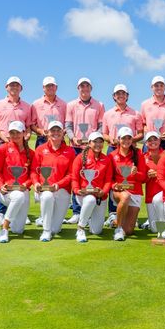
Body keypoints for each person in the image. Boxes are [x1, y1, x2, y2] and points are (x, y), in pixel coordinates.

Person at [0, 76, 32, 225]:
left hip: (21, 145)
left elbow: (29, 127)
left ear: (21, 88)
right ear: (6, 87)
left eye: (17, 85)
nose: (14, 87)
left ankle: (20, 211)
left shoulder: (27, 106)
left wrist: (25, 137)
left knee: (21, 174)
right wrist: (3, 136)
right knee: (4, 174)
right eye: (11, 85)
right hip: (3, 143)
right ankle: (2, 212)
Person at [102, 84, 144, 228]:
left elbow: (140, 133)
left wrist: (130, 141)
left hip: (130, 150)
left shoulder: (135, 114)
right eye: (118, 94)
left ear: (127, 96)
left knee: (130, 179)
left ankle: (124, 214)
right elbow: (104, 133)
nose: (120, 96)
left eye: (123, 93)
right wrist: (110, 139)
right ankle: (113, 213)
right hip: (113, 150)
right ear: (114, 96)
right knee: (112, 179)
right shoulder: (107, 114)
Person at [64, 77, 105, 224]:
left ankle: (91, 207)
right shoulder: (71, 105)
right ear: (78, 89)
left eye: (87, 86)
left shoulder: (99, 105)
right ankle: (76, 211)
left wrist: (93, 139)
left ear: (91, 88)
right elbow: (68, 126)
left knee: (92, 177)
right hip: (76, 147)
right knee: (76, 177)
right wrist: (73, 137)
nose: (84, 89)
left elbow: (101, 126)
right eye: (82, 87)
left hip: (93, 147)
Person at [31, 121, 76, 242]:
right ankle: (45, 230)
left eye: (58, 130)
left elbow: (71, 174)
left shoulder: (70, 151)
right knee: (47, 197)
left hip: (62, 190)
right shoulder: (40, 149)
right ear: (48, 133)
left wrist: (59, 184)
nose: (55, 133)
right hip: (44, 189)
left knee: (55, 229)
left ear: (63, 133)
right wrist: (35, 183)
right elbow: (34, 171)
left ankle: (48, 223)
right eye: (52, 130)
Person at [71, 132, 113, 242]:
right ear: (89, 143)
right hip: (84, 195)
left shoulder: (106, 159)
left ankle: (89, 217)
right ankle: (80, 228)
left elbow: (108, 181)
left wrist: (103, 192)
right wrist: (77, 190)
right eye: (95, 141)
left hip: (100, 197)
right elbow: (74, 178)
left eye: (100, 142)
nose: (98, 144)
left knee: (96, 231)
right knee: (90, 200)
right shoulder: (80, 158)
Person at [0, 121, 33, 243]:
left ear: (24, 133)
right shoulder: (3, 148)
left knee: (18, 230)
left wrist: (25, 185)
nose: (15, 135)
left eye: (18, 132)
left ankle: (11, 217)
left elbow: (33, 174)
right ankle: (4, 227)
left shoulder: (31, 153)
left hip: (23, 189)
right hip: (6, 191)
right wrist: (1, 186)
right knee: (18, 196)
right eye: (12, 133)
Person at [109, 126, 147, 240]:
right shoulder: (112, 155)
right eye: (123, 138)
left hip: (135, 191)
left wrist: (136, 173)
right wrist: (113, 185)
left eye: (129, 138)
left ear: (132, 140)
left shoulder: (138, 154)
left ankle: (116, 221)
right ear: (119, 139)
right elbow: (109, 178)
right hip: (119, 191)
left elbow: (144, 178)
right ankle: (118, 229)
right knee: (125, 197)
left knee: (129, 231)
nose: (126, 141)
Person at [140, 75, 165, 150]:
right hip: (150, 140)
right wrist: (147, 131)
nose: (159, 88)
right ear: (152, 88)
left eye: (161, 85)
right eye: (156, 85)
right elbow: (143, 123)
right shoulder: (145, 104)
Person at [30, 76, 67, 148]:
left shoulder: (64, 104)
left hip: (59, 139)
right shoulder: (36, 104)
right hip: (42, 139)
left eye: (52, 85)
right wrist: (40, 131)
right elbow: (32, 124)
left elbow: (67, 123)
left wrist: (62, 132)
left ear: (56, 87)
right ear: (43, 88)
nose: (50, 88)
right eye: (47, 86)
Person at [142, 131, 165, 233]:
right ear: (146, 143)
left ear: (159, 141)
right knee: (155, 230)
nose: (153, 142)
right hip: (150, 196)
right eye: (149, 140)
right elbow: (141, 179)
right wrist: (146, 176)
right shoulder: (143, 157)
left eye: (155, 139)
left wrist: (158, 174)